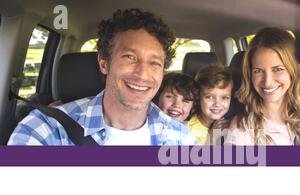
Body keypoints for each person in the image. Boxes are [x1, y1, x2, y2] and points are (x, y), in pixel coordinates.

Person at [8, 9, 196, 145]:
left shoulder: (182, 140)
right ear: (104, 63)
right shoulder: (46, 128)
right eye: (129, 57)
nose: (143, 74)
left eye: (154, 63)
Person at [225, 27, 300, 145]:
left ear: (293, 71)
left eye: (277, 69)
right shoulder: (242, 128)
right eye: (258, 71)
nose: (267, 82)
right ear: (250, 74)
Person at [187, 64, 233, 145]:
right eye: (209, 97)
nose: (217, 104)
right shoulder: (190, 130)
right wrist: (212, 137)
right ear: (198, 97)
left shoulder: (232, 122)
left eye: (224, 98)